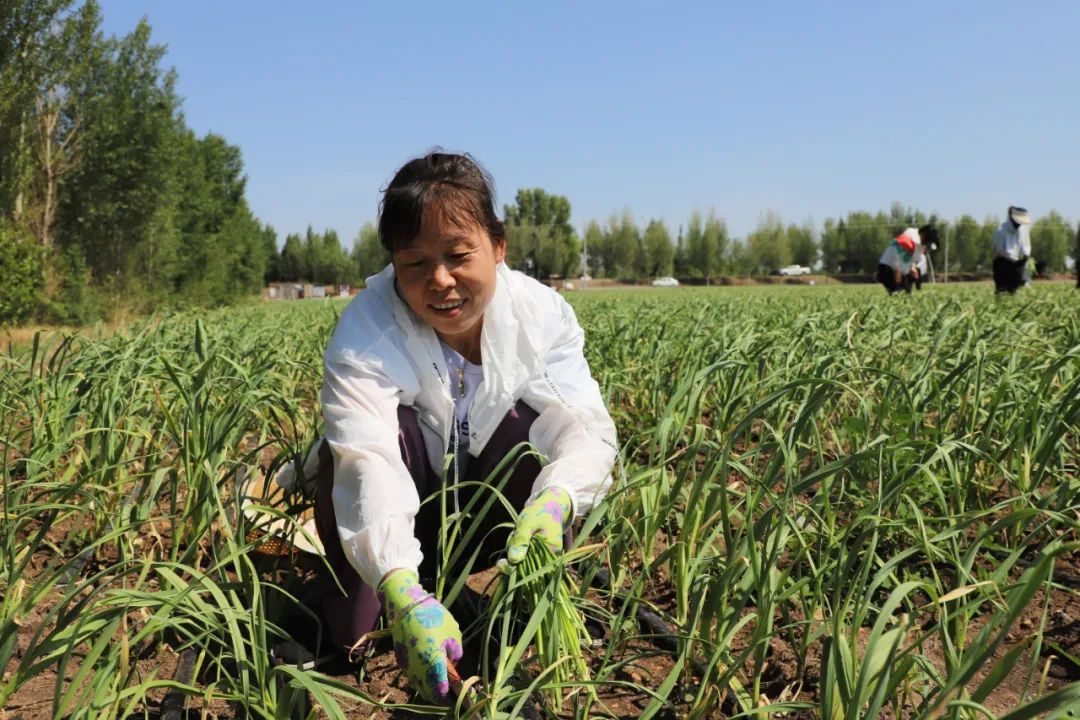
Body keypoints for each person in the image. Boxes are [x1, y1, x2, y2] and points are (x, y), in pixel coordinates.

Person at [313, 151, 618, 704]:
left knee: (533, 430)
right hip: (404, 504)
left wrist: (557, 501)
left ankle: (522, 610)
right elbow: (368, 457)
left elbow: (582, 428)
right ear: (393, 265)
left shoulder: (540, 316)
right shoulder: (367, 332)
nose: (440, 280)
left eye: (458, 256)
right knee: (356, 643)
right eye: (415, 263)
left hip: (487, 515)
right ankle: (382, 606)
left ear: (498, 246)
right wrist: (399, 585)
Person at [992, 206, 1032, 294]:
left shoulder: (1023, 230)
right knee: (1002, 291)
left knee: (1018, 290)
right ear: (1011, 219)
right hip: (1003, 264)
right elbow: (1000, 250)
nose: (1018, 225)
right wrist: (1013, 259)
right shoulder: (1000, 231)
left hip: (1019, 264)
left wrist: (1026, 254)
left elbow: (1026, 245)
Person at [878, 226, 923, 294]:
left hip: (899, 268)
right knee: (897, 290)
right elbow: (897, 263)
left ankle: (902, 290)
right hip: (891, 268)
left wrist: (912, 268)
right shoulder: (905, 244)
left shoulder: (913, 250)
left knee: (903, 289)